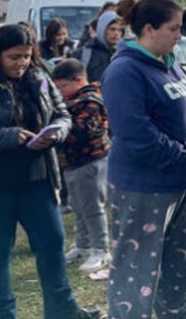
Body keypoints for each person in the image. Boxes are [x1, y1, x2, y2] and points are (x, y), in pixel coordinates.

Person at [0, 24, 100, 318]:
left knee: (52, 245)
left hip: (38, 181)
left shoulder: (38, 77)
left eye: (26, 56)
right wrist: (10, 136)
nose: (22, 63)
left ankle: (62, 311)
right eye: (14, 57)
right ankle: (0, 314)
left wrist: (57, 132)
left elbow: (62, 113)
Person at [102, 0, 186, 319]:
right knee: (136, 274)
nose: (179, 35)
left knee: (178, 268)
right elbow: (136, 135)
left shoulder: (169, 62)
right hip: (144, 190)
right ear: (149, 29)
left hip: (183, 186)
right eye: (174, 28)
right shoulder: (125, 71)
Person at [51, 58, 111, 273]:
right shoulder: (71, 101)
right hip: (71, 164)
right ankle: (83, 244)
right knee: (78, 206)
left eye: (62, 87)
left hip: (90, 162)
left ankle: (100, 249)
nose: (60, 92)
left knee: (93, 207)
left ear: (77, 80)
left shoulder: (90, 101)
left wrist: (58, 130)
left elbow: (88, 131)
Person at [74, 10, 123, 83]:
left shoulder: (122, 54)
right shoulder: (84, 53)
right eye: (112, 29)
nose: (116, 33)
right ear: (102, 29)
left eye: (120, 30)